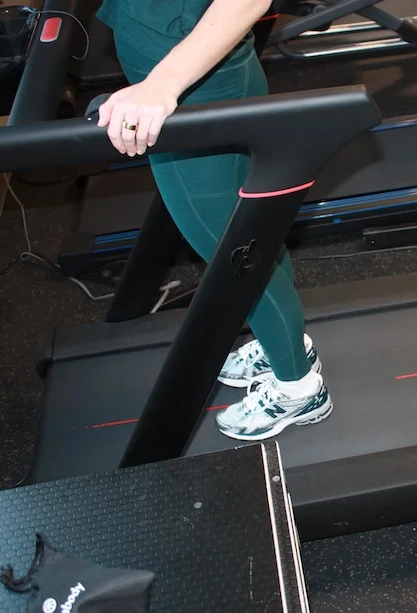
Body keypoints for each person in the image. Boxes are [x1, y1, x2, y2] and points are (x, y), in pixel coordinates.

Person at [94, 0, 332, 441]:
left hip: (193, 91)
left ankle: (299, 388)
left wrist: (162, 84)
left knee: (233, 251)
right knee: (249, 233)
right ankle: (283, 340)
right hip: (189, 74)